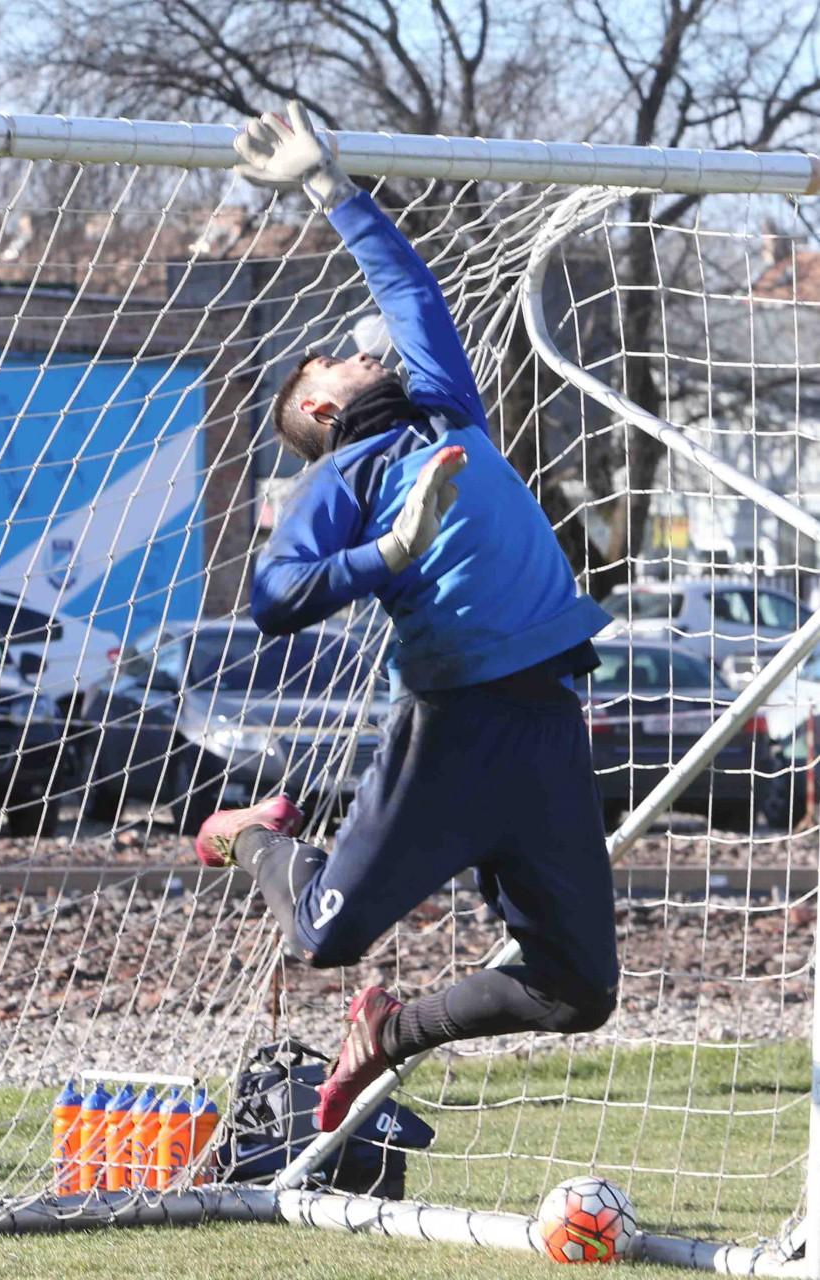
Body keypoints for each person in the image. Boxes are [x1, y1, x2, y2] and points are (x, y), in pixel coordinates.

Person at [195, 102, 618, 1133]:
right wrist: (390, 551)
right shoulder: (338, 480)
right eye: (331, 358)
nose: (356, 346)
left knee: (577, 989)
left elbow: (407, 289)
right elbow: (273, 598)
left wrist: (328, 188)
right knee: (323, 937)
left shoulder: (442, 409)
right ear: (320, 407)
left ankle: (388, 1034)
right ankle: (249, 836)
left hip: (547, 719)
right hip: (453, 728)